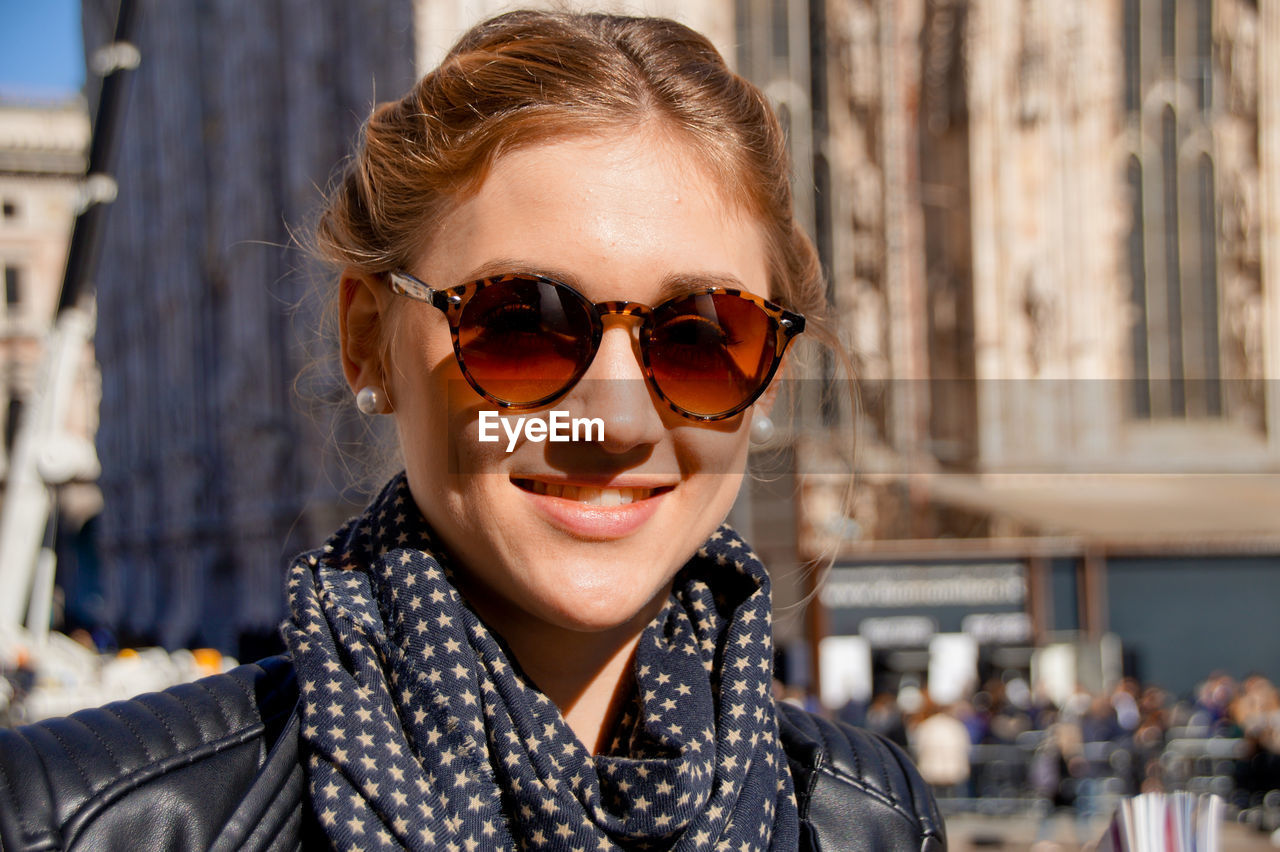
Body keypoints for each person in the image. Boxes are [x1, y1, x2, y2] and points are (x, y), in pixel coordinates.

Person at [0, 11, 944, 851]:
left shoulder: (871, 819)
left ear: (767, 372)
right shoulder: (84, 820)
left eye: (703, 336)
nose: (616, 421)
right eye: (524, 323)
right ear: (369, 341)